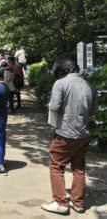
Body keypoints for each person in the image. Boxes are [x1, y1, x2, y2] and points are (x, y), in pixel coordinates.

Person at [41, 58, 96, 215]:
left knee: (56, 166)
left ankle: (60, 202)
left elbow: (54, 106)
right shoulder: (90, 85)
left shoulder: (61, 83)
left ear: (60, 71)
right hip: (84, 133)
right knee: (78, 167)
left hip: (66, 133)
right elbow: (91, 111)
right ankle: (78, 203)